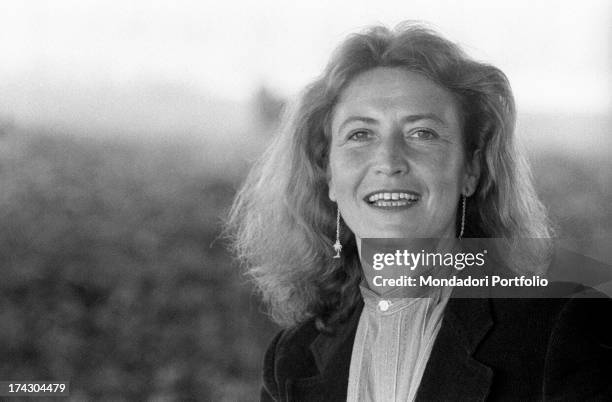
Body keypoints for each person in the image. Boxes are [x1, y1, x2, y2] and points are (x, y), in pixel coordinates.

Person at [227, 23, 612, 401]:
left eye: (422, 133)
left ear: (471, 170)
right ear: (326, 173)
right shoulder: (292, 359)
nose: (389, 161)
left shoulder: (562, 326)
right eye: (360, 134)